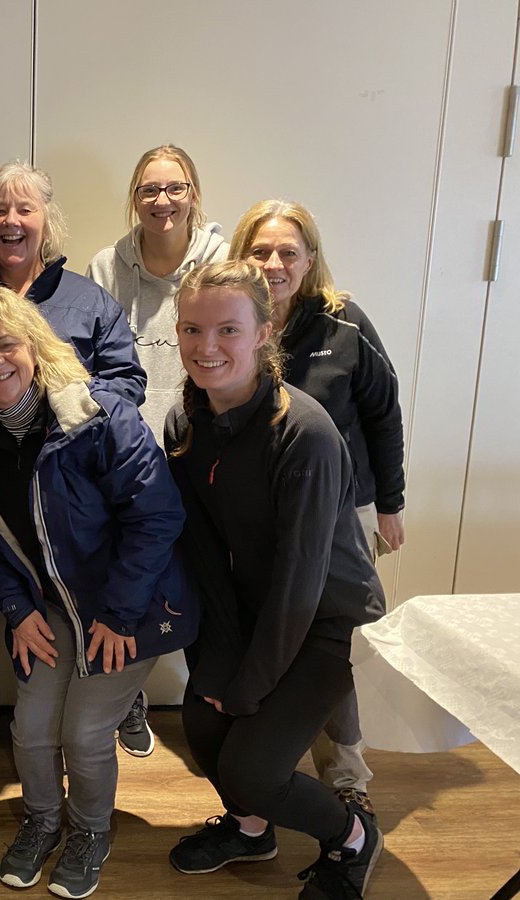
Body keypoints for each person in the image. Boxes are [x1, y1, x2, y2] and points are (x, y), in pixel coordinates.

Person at [0, 286, 195, 899]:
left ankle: (88, 831)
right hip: (49, 605)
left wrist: (119, 614)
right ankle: (42, 821)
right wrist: (16, 608)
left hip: (129, 605)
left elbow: (155, 517)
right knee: (29, 730)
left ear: (36, 348)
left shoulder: (98, 414)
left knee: (84, 734)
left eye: (7, 344)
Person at [164, 260, 386, 899]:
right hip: (260, 610)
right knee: (203, 723)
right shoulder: (186, 427)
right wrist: (216, 668)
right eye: (192, 330)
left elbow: (301, 580)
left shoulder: (305, 434)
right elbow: (206, 559)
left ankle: (351, 838)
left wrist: (250, 686)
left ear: (263, 332)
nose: (207, 348)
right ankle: (252, 831)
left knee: (254, 766)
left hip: (329, 622)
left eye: (228, 330)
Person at [0, 160, 148, 779]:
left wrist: (58, 402)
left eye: (25, 209)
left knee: (88, 598)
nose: (11, 220)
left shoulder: (88, 300)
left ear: (46, 222)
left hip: (81, 496)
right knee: (13, 604)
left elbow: (127, 385)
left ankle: (112, 703)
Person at [230, 199, 406, 819]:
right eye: (261, 250)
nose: (274, 263)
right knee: (272, 636)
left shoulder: (343, 324)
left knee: (337, 645)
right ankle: (267, 769)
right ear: (241, 255)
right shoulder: (234, 321)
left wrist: (391, 503)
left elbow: (384, 414)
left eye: (288, 252)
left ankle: (347, 774)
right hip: (262, 519)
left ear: (310, 260)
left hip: (343, 516)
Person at [86, 144, 228, 759]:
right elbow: (94, 358)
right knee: (126, 567)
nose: (162, 201)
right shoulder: (105, 267)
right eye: (149, 189)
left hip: (201, 445)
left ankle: (213, 701)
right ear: (134, 198)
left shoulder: (223, 260)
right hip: (128, 454)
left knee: (208, 573)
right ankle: (129, 696)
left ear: (193, 192)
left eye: (174, 188)